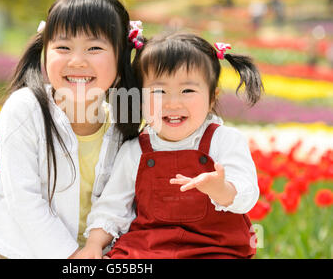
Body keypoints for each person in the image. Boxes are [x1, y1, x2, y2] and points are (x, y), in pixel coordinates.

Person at [0, 0, 142, 259]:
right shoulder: (27, 109)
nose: (77, 60)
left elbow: (120, 205)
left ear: (121, 57)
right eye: (63, 47)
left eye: (94, 48)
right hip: (14, 252)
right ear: (45, 51)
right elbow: (25, 199)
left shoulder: (122, 127)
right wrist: (70, 256)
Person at [76, 32, 264, 259]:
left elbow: (248, 194)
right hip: (147, 247)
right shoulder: (135, 150)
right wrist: (94, 246)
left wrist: (221, 189)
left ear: (212, 98)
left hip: (213, 248)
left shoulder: (224, 140)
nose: (173, 103)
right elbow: (112, 207)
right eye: (158, 91)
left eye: (187, 91)